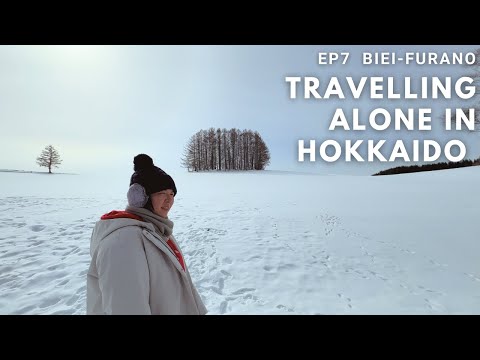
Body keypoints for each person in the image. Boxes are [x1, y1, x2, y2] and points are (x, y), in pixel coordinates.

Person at [87, 154, 207, 315]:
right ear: (139, 198)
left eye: (171, 194)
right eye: (161, 193)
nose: (169, 200)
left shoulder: (159, 232)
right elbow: (126, 309)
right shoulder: (123, 242)